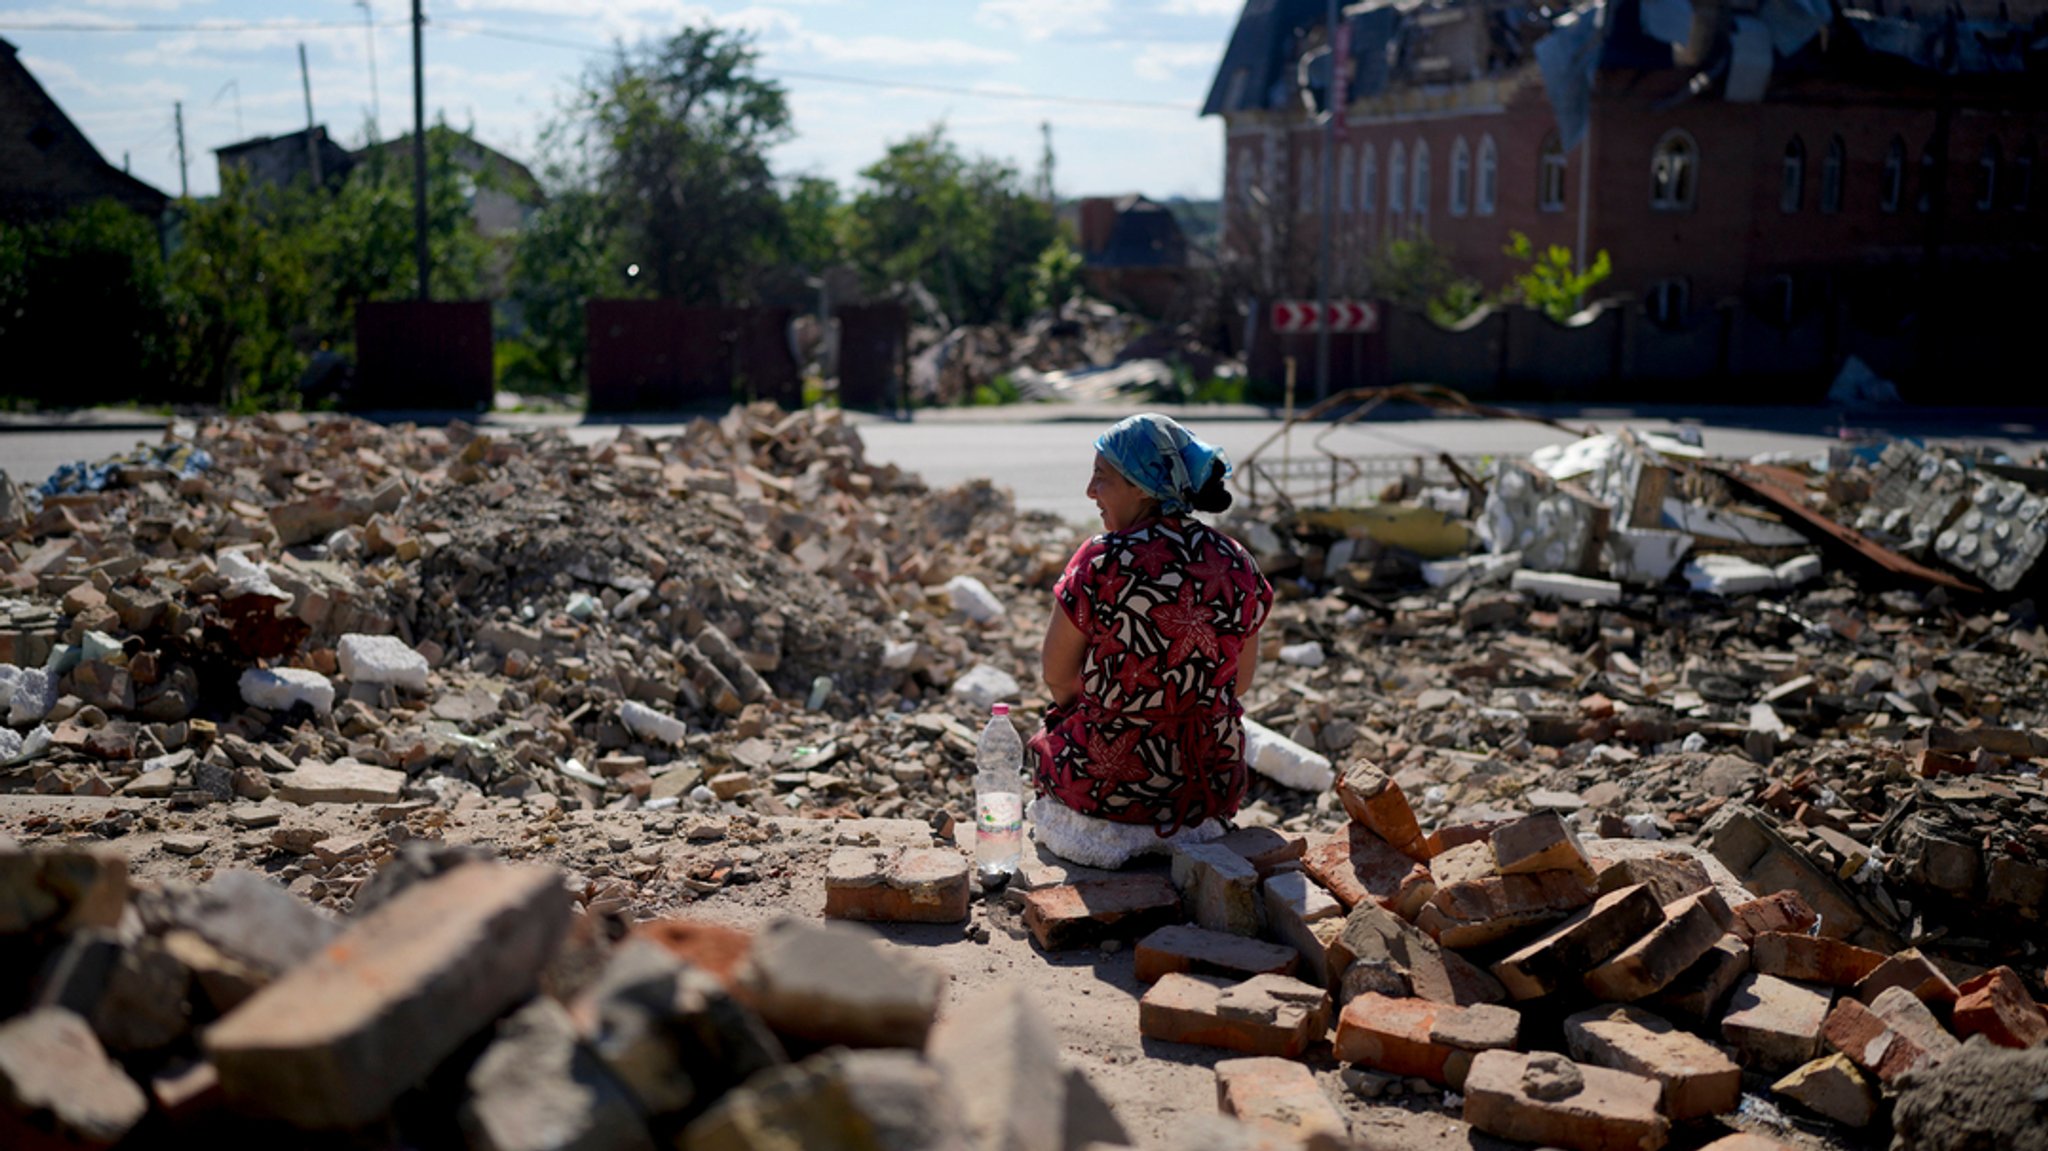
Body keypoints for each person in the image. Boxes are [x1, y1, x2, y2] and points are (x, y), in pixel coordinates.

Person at [1028, 413, 1273, 856]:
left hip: (1108, 782)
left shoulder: (1102, 559)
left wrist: (1105, 719)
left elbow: (1058, 677)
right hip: (1206, 781)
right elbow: (1238, 683)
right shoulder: (1234, 561)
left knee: (1049, 733)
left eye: (1101, 478)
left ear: (1142, 485)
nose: (1089, 491)